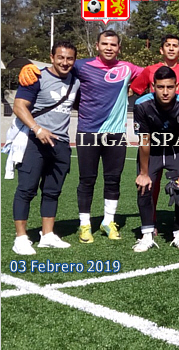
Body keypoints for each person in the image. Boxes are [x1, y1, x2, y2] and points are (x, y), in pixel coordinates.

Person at [19, 30, 144, 243]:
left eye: (113, 44)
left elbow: (154, 73)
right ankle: (85, 224)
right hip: (88, 132)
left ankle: (108, 221)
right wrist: (30, 68)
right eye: (104, 43)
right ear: (97, 46)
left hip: (116, 133)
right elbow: (57, 66)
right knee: (87, 180)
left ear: (119, 48)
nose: (109, 47)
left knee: (113, 180)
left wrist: (137, 87)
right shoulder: (81, 65)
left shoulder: (128, 68)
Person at [11, 42, 80, 255]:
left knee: (52, 191)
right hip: (34, 141)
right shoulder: (35, 76)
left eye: (69, 58)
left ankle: (47, 235)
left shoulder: (76, 79)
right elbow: (18, 106)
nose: (65, 62)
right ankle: (20, 238)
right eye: (60, 57)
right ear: (51, 57)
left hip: (60, 143)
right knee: (26, 189)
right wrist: (37, 129)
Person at [129, 34, 179, 234]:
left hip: (178, 134)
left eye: (175, 45)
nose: (165, 91)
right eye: (167, 45)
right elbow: (135, 89)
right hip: (154, 137)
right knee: (148, 183)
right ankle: (149, 226)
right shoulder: (149, 74)